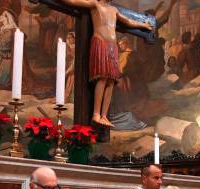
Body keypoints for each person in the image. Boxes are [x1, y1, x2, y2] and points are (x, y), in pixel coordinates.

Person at [57, 0, 154, 128]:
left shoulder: (114, 10)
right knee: (102, 78)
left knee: (112, 81)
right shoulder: (95, 4)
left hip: (112, 46)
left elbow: (128, 21)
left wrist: (143, 25)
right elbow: (74, 1)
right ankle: (96, 114)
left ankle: (104, 116)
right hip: (100, 42)